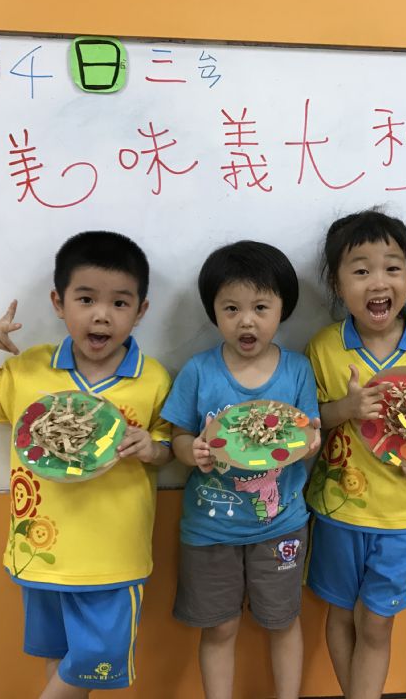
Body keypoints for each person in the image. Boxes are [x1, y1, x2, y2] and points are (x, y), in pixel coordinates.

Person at [0, 231, 172, 699]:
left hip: (113, 555)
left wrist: (151, 448)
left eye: (119, 303)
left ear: (141, 311)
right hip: (39, 547)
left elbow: (168, 447)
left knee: (95, 657)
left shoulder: (151, 378)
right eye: (86, 299)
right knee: (59, 654)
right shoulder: (31, 369)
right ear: (59, 302)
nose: (101, 315)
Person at [304, 210, 406, 699]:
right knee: (340, 613)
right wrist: (345, 408)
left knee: (375, 622)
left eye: (393, 267)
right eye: (361, 270)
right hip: (340, 509)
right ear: (337, 283)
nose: (378, 281)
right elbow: (308, 422)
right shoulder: (324, 348)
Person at [160, 241, 321, 699]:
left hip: (281, 524)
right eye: (231, 308)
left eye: (260, 308)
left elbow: (311, 433)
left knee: (282, 621)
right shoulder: (199, 371)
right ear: (213, 312)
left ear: (282, 309)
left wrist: (309, 443)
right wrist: (193, 451)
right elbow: (177, 439)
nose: (246, 321)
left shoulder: (297, 370)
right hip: (210, 527)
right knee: (219, 627)